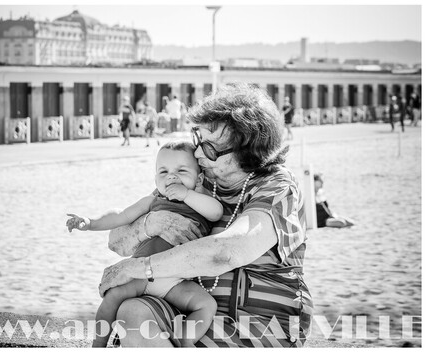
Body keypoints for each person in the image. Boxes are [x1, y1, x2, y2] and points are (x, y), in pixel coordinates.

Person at [100, 83, 313, 347]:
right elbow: (116, 241)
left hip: (259, 322)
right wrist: (150, 224)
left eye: (211, 148)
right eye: (198, 140)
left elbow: (227, 251)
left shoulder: (277, 187)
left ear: (247, 151)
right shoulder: (198, 180)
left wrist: (140, 267)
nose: (198, 152)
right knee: (132, 312)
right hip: (187, 312)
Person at [67, 142, 223, 347]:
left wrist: (187, 195)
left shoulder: (199, 201)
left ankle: (185, 341)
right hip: (141, 273)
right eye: (163, 172)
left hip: (175, 280)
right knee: (112, 298)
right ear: (155, 179)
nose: (171, 177)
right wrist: (90, 223)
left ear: (199, 178)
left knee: (206, 305)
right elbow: (121, 216)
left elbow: (216, 212)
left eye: (181, 171)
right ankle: (98, 344)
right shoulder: (154, 200)